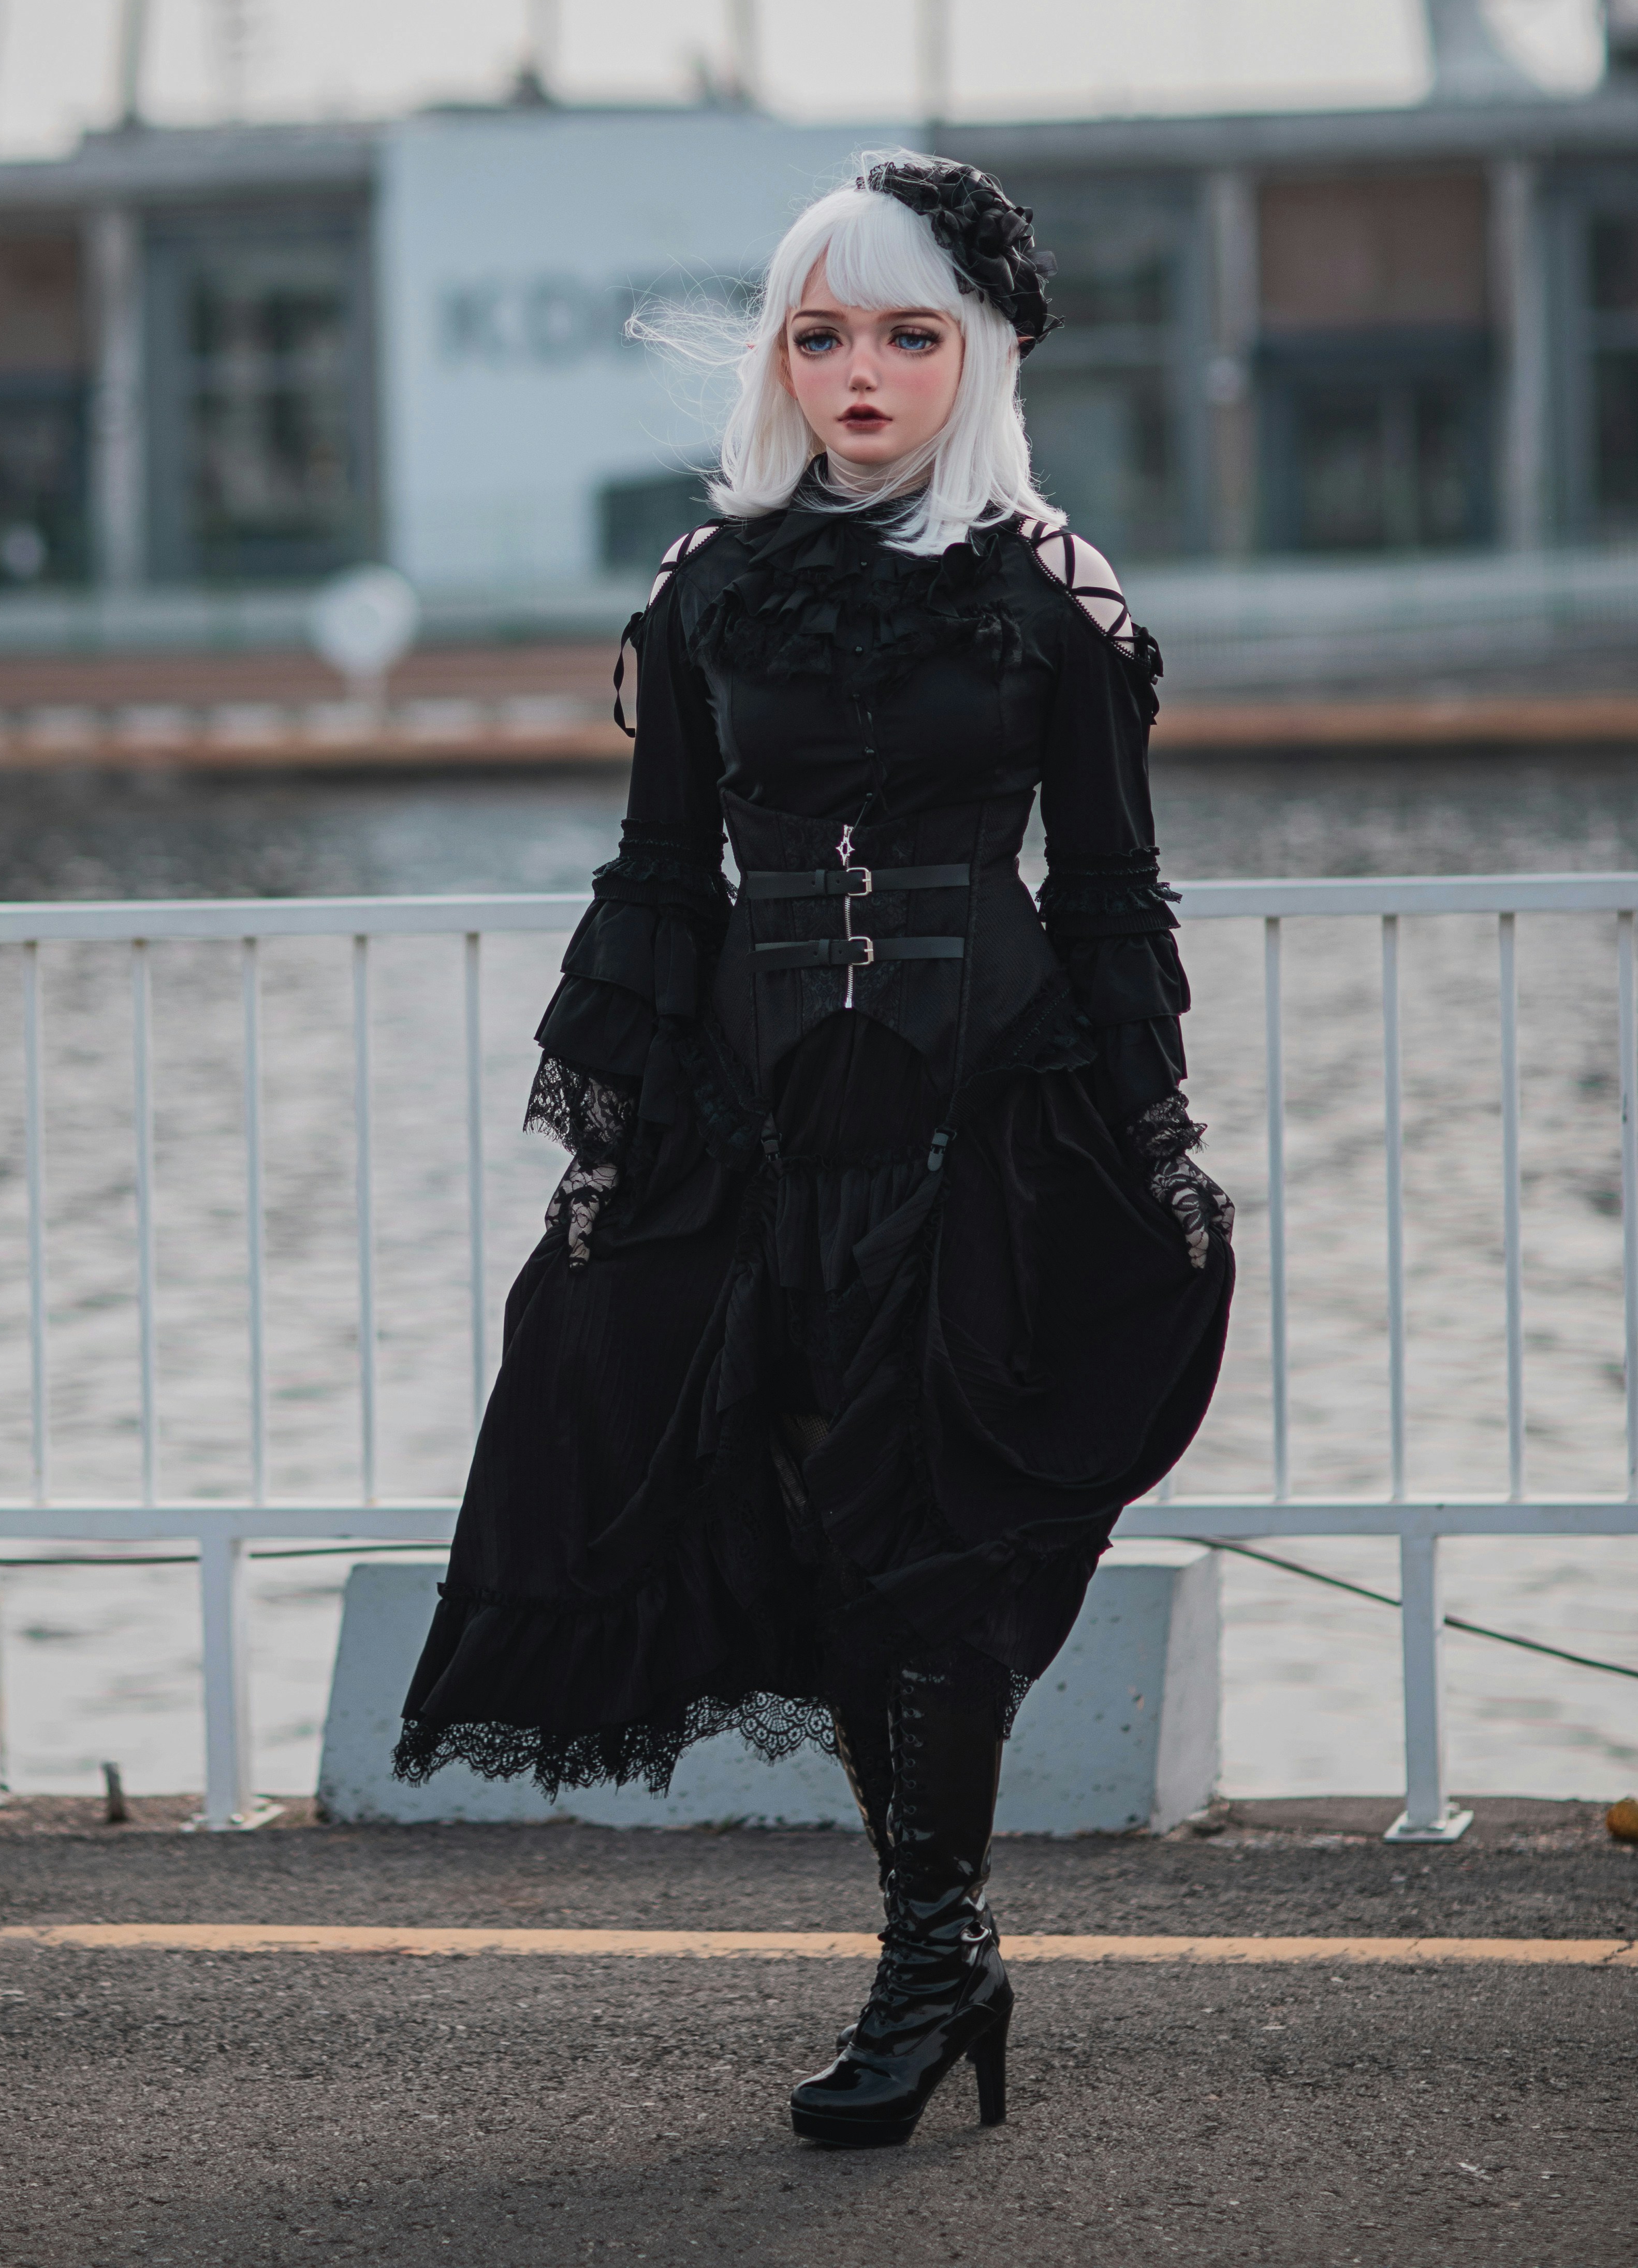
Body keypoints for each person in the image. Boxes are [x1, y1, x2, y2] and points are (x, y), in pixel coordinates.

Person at [394, 154, 1234, 2148]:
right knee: (802, 1526)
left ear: (984, 353)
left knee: (927, 1537)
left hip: (990, 1132)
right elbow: (660, 880)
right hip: (755, 1141)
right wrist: (611, 1151)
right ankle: (941, 1956)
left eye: (907, 332)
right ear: (783, 356)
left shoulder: (1049, 590)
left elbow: (1111, 895)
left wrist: (1158, 1134)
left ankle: (928, 1961)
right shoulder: (708, 592)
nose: (859, 369)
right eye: (821, 332)